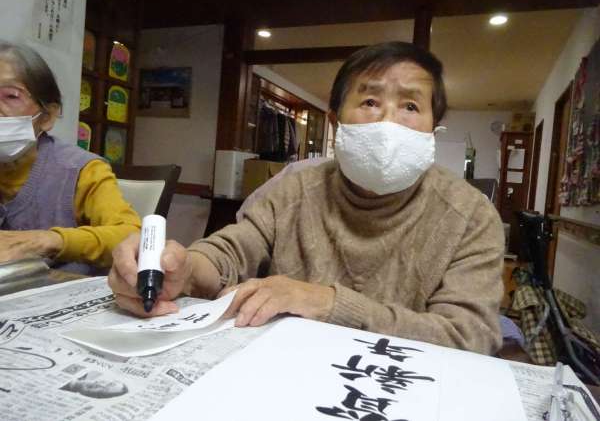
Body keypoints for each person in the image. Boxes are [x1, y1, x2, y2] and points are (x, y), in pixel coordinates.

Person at [109, 42, 505, 354]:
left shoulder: (471, 216)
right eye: (370, 101)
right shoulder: (295, 188)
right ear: (336, 122)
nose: (388, 120)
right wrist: (183, 269)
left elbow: (469, 336)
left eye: (411, 106)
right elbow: (232, 250)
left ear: (433, 129)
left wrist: (328, 303)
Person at [0, 42, 141, 274]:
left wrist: (48, 241)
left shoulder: (81, 170)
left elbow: (132, 235)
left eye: (11, 96)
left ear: (47, 116)